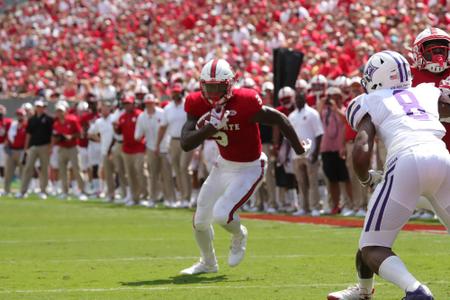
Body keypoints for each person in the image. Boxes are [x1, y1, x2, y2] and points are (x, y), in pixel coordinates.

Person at [328, 51, 450, 300]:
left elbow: (361, 151)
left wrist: (366, 179)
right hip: (442, 156)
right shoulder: (427, 90)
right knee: (371, 231)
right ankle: (363, 292)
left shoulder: (368, 100)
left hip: (406, 161)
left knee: (372, 246)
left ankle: (416, 291)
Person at [179, 58, 307, 275]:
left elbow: (280, 119)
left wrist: (299, 148)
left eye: (218, 87)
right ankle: (208, 263)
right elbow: (186, 142)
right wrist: (209, 129)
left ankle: (239, 235)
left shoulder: (245, 101)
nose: (212, 93)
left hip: (250, 166)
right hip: (223, 165)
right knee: (200, 219)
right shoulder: (196, 103)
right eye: (208, 87)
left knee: (222, 214)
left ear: (229, 84)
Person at [410, 27, 450, 220]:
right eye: (431, 49)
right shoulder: (408, 76)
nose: (437, 54)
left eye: (441, 49)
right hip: (424, 143)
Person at [135, 94, 176, 206]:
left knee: (167, 175)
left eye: (151, 103)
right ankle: (152, 198)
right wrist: (142, 139)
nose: (149, 105)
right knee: (153, 175)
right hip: (151, 148)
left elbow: (167, 128)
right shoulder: (142, 116)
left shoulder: (162, 113)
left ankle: (170, 199)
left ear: (154, 103)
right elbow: (138, 135)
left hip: (164, 148)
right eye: (147, 103)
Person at [289, 92, 323, 216]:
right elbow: (289, 136)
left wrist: (316, 152)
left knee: (313, 181)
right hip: (296, 154)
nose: (298, 100)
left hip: (310, 152)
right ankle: (304, 207)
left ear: (304, 99)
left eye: (300, 97)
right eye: (296, 98)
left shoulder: (312, 113)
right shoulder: (292, 115)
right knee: (301, 182)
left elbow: (319, 134)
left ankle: (315, 207)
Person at [160, 83, 192, 208]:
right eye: (173, 92)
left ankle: (187, 198)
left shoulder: (188, 105)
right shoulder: (168, 108)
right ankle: (182, 197)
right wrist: (159, 144)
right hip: (173, 140)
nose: (175, 94)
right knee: (177, 169)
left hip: (187, 139)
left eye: (177, 92)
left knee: (184, 167)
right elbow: (163, 126)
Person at [52, 102, 87, 200]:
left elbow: (81, 134)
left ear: (65, 111)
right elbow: (54, 137)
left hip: (73, 147)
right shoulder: (56, 123)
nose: (59, 113)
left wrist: (71, 136)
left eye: (61, 111)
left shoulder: (72, 120)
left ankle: (82, 191)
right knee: (62, 171)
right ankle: (65, 192)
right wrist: (59, 138)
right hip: (62, 148)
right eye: (58, 111)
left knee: (77, 169)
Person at [114, 95, 146, 206]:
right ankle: (134, 197)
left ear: (133, 104)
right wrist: (115, 127)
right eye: (125, 104)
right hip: (127, 149)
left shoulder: (139, 115)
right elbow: (119, 132)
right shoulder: (122, 117)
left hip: (139, 147)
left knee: (140, 172)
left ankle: (144, 195)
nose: (127, 106)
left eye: (129, 103)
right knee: (130, 174)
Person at [19, 100, 53, 199]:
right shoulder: (32, 119)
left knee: (44, 169)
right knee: (28, 168)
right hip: (33, 146)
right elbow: (28, 134)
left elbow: (51, 135)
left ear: (44, 107)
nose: (39, 108)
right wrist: (26, 147)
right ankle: (23, 191)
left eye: (41, 106)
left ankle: (43, 191)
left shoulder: (49, 119)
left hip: (45, 146)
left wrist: (50, 147)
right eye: (37, 106)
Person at [88, 102, 115, 202]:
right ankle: (109, 193)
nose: (104, 111)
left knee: (118, 172)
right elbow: (90, 133)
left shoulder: (114, 118)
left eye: (106, 108)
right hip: (104, 150)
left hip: (114, 149)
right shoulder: (99, 122)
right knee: (106, 172)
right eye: (103, 109)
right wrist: (100, 140)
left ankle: (120, 192)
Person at [3, 109, 27, 195]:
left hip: (21, 150)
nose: (19, 116)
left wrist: (25, 151)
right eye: (18, 115)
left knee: (22, 172)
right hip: (12, 150)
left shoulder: (26, 125)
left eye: (21, 115)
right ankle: (6, 190)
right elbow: (8, 137)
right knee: (8, 171)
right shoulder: (12, 125)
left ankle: (22, 191)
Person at [0, 105, 12, 192]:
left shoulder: (8, 121)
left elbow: (10, 134)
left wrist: (7, 143)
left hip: (4, 145)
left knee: (4, 165)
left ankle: (4, 185)